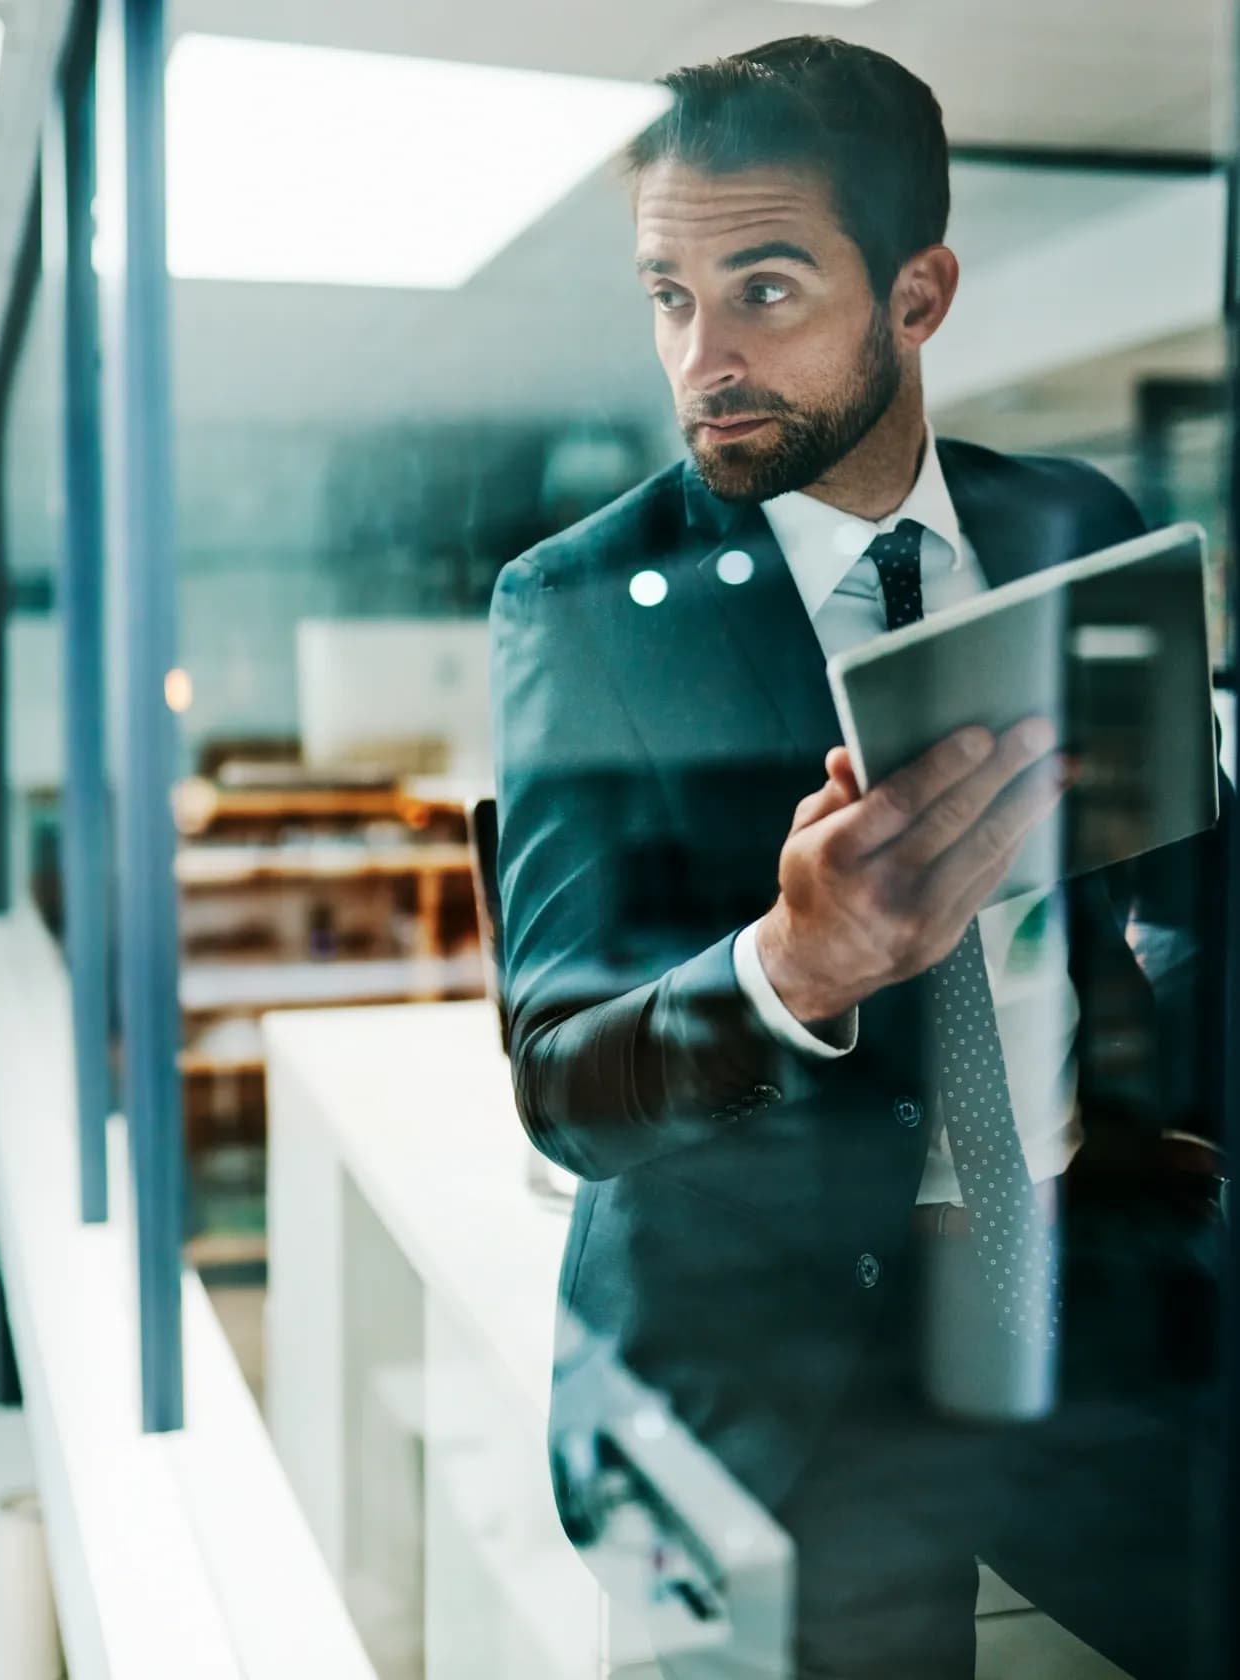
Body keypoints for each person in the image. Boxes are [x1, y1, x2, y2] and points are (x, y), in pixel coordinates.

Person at [490, 34, 1228, 1680]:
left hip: (1083, 1302)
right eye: (668, 297)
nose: (704, 358)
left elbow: (1193, 890)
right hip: (789, 1374)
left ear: (918, 293)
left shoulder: (1075, 530)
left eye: (763, 288)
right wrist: (794, 966)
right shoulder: (581, 609)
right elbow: (562, 1080)